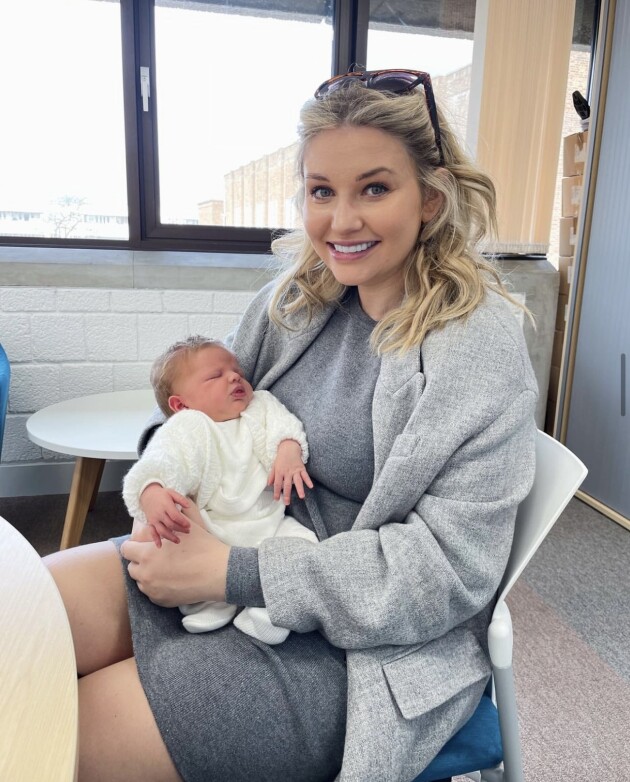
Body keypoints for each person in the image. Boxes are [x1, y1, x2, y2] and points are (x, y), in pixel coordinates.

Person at [44, 68, 538, 782]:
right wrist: (169, 491)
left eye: (375, 188)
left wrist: (235, 572)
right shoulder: (297, 301)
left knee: (60, 735)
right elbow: (197, 403)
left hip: (354, 644)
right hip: (229, 540)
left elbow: (448, 574)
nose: (342, 221)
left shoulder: (477, 349)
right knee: (18, 622)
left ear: (430, 198)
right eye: (321, 191)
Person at [122, 335, 317, 641]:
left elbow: (287, 427)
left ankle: (268, 617)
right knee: (174, 532)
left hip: (268, 522)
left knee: (305, 545)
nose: (234, 377)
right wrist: (152, 490)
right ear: (181, 404)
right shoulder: (189, 426)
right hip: (212, 527)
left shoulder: (261, 405)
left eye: (237, 370)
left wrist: (288, 450)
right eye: (215, 376)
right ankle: (208, 603)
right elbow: (162, 459)